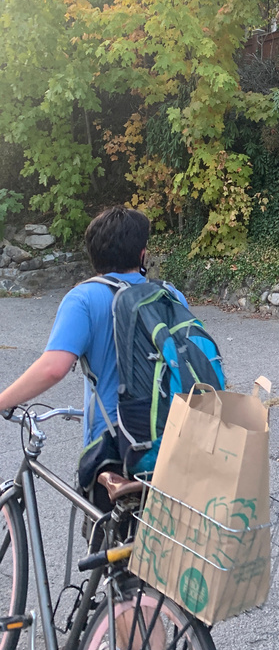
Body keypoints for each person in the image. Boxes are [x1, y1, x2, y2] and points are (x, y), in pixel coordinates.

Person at [0, 205, 188, 494]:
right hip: (175, 438)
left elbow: (53, 368)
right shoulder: (171, 295)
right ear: (142, 254)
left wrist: (3, 400)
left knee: (105, 521)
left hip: (114, 447)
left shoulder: (84, 297)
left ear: (93, 255)